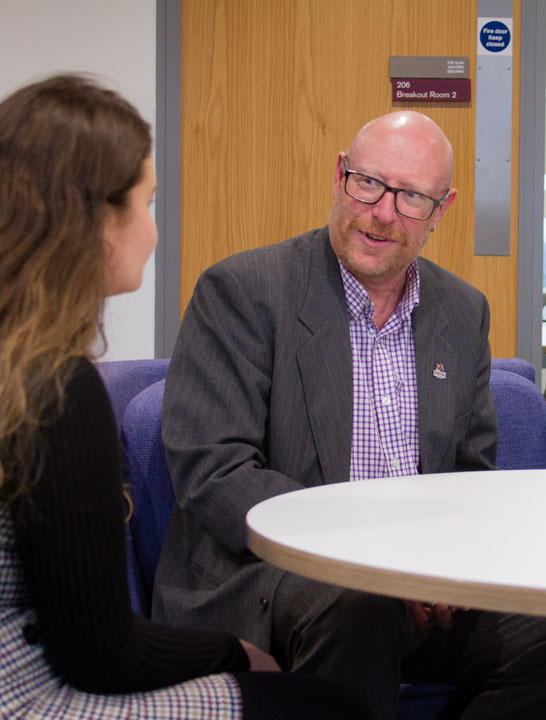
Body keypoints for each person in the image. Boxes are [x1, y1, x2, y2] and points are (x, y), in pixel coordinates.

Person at [153, 110, 546, 719]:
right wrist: (381, 567)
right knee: (360, 606)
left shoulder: (461, 311)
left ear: (441, 209)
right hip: (269, 578)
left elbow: (469, 476)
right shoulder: (243, 290)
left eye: (410, 197)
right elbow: (213, 471)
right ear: (339, 176)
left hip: (418, 589)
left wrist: (442, 572)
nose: (381, 211)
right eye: (368, 183)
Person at [0, 74, 374, 720]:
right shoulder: (52, 389)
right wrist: (232, 652)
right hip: (28, 693)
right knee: (324, 708)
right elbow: (99, 655)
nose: (151, 231)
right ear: (94, 217)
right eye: (146, 204)